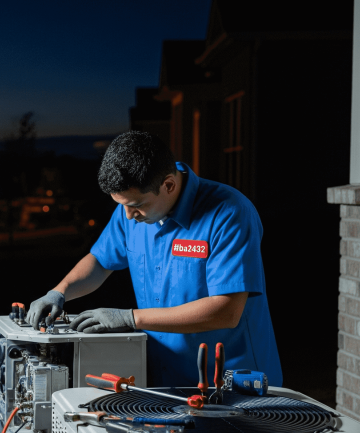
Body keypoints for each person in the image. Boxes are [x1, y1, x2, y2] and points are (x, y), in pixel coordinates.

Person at [27, 131, 283, 388]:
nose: (127, 216)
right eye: (122, 205)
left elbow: (226, 311)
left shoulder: (230, 213)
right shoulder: (134, 208)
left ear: (169, 185)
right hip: (164, 377)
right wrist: (59, 292)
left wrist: (130, 318)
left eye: (136, 205)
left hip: (232, 380)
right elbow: (100, 261)